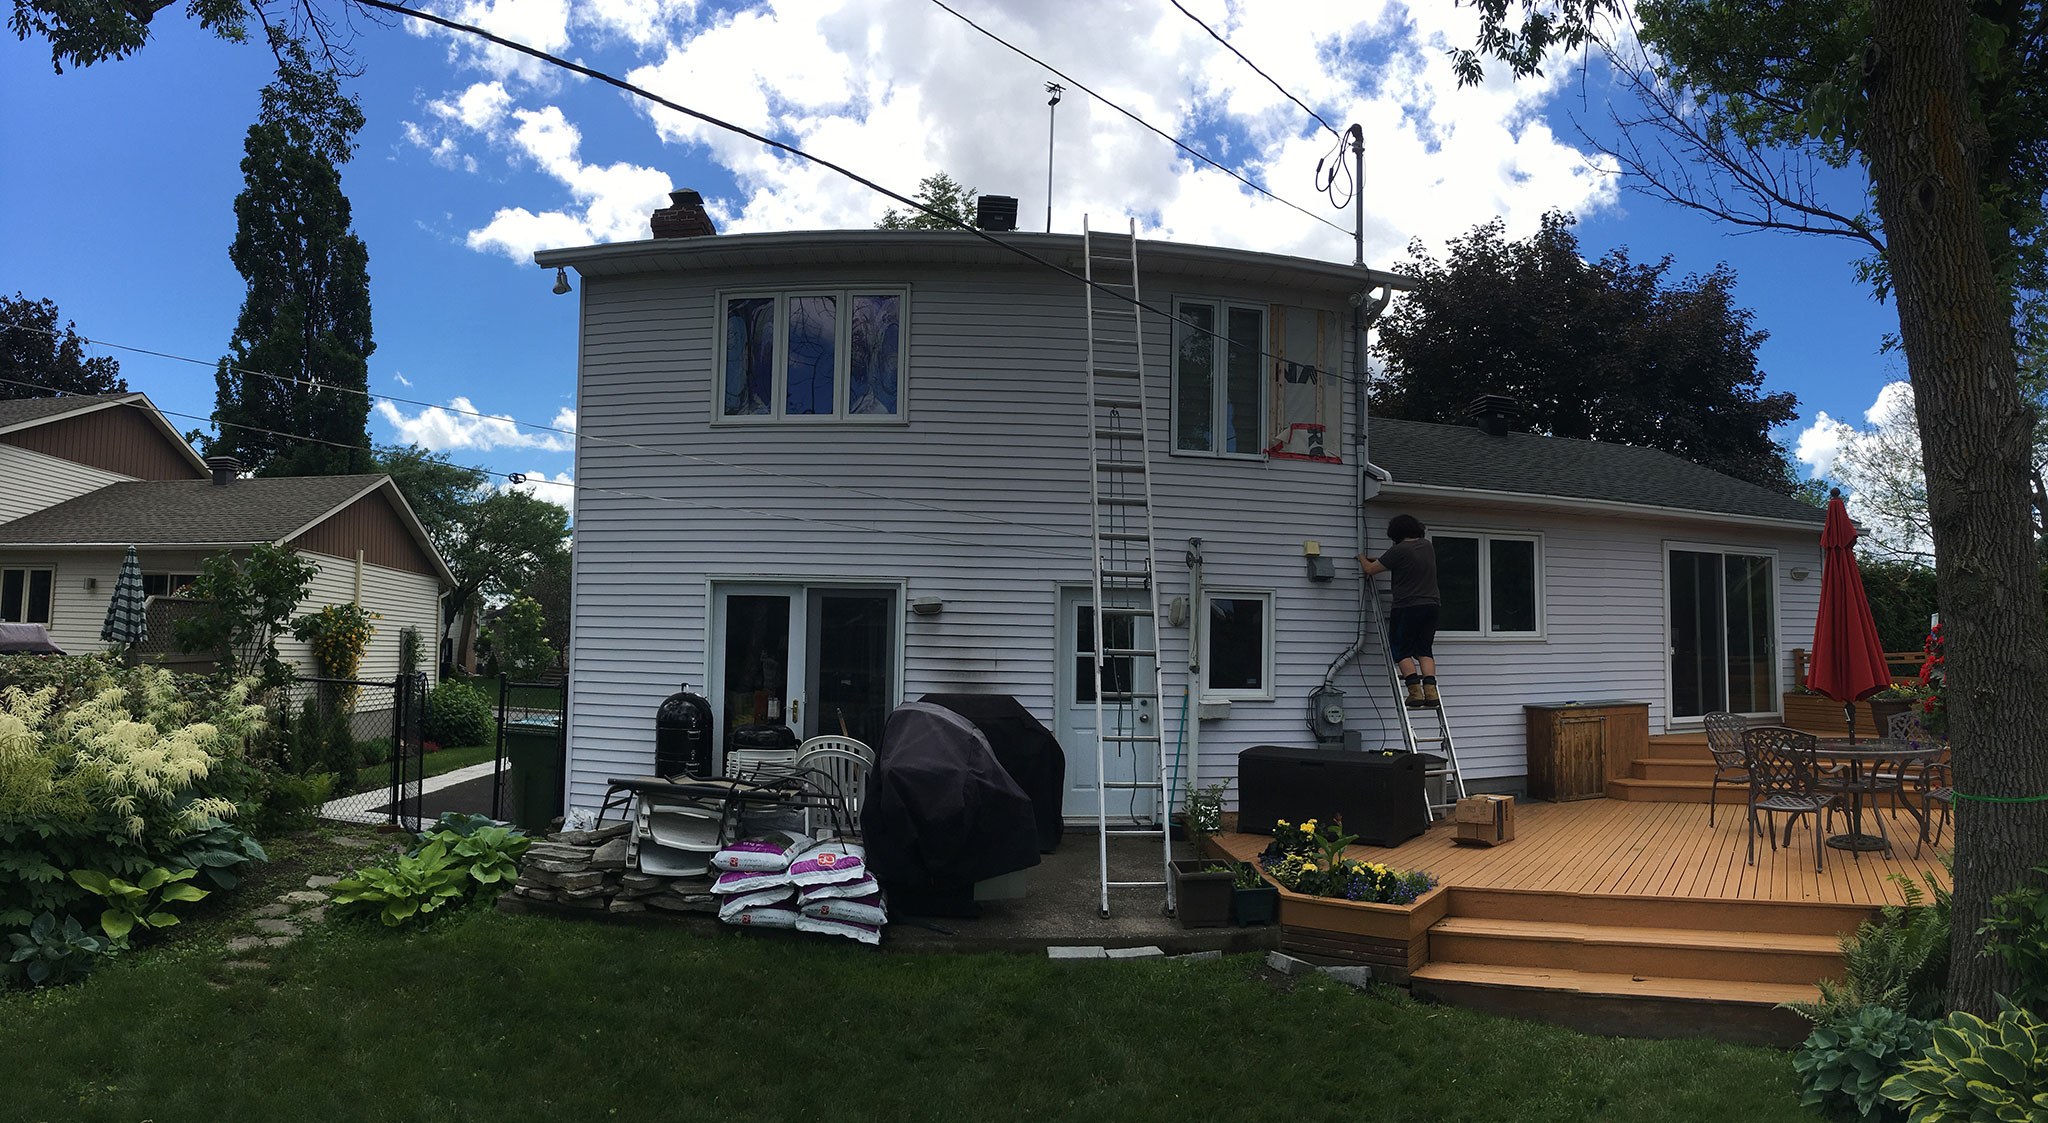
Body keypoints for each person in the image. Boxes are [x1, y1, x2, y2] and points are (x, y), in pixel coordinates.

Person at [1357, 515, 1440, 707]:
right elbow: (1399, 561)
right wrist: (1385, 560)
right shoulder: (1427, 546)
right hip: (1432, 606)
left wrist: (1361, 558)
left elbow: (1370, 569)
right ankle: (1431, 690)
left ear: (1396, 533)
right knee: (1424, 649)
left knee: (1401, 649)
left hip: (1408, 607)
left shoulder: (1398, 550)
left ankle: (1415, 692)